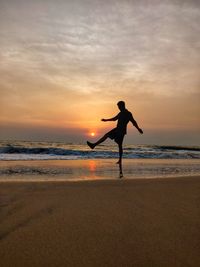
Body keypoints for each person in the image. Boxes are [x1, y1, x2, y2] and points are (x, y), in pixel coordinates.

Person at [87, 101, 143, 171]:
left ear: (122, 106)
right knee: (112, 139)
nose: (118, 108)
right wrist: (106, 120)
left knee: (117, 143)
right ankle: (94, 145)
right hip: (118, 130)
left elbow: (133, 122)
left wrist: (138, 129)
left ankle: (95, 145)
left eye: (119, 107)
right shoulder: (121, 113)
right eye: (118, 107)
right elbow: (114, 119)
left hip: (121, 131)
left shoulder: (128, 114)